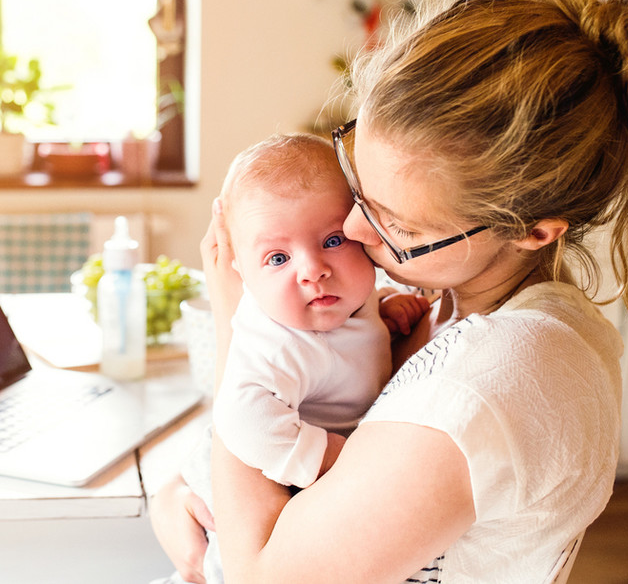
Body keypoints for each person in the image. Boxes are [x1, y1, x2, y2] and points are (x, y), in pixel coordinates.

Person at [149, 0, 628, 583]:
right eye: (358, 190)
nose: (351, 230)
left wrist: (244, 318)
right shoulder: (444, 303)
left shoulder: (489, 386)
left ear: (535, 231)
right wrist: (184, 486)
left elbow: (263, 576)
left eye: (399, 225)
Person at [166, 132, 430, 584]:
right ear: (239, 271)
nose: (312, 270)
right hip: (265, 469)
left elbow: (350, 332)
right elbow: (244, 418)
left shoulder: (341, 299)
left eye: (332, 240)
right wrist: (327, 458)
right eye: (278, 257)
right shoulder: (276, 342)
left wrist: (383, 308)